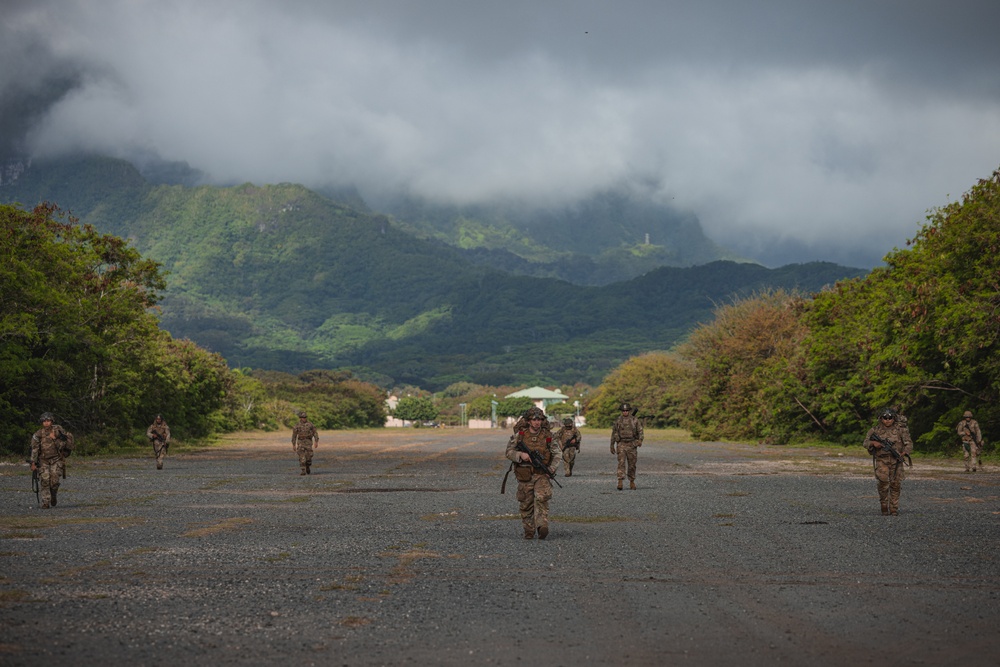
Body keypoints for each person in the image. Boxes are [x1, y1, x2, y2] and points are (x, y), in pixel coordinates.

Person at [505, 407, 561, 539]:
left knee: (542, 498)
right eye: (534, 419)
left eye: (540, 419)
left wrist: (552, 469)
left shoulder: (548, 436)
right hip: (525, 475)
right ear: (529, 421)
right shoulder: (520, 435)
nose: (537, 422)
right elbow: (508, 452)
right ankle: (529, 530)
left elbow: (557, 453)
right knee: (526, 504)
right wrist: (520, 455)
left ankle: (542, 526)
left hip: (542, 474)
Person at [863, 408, 913, 516]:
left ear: (894, 418)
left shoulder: (900, 430)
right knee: (883, 483)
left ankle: (894, 508)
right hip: (882, 460)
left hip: (896, 461)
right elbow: (865, 442)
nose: (887, 420)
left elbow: (909, 443)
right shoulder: (875, 430)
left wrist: (904, 452)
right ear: (881, 418)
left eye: (890, 418)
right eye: (885, 418)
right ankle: (884, 505)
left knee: (896, 484)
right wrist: (873, 443)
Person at [29, 412, 74, 509]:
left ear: (52, 421)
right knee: (44, 480)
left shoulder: (58, 431)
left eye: (48, 421)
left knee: (54, 482)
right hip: (43, 460)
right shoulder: (38, 434)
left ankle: (53, 495)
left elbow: (64, 444)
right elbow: (34, 449)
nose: (46, 423)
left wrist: (55, 439)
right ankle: (46, 502)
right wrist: (33, 462)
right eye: (44, 421)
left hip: (56, 460)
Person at [611, 403, 643, 490]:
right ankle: (620, 481)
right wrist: (612, 445)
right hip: (621, 444)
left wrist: (640, 440)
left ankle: (632, 481)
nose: (625, 412)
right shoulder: (618, 420)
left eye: (626, 411)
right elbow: (614, 433)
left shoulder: (634, 420)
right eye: (623, 411)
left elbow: (640, 431)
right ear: (621, 411)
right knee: (621, 463)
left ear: (629, 411)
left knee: (632, 464)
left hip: (632, 444)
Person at [291, 411, 319, 475]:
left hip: (308, 442)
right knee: (302, 457)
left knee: (309, 457)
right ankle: (303, 470)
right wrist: (293, 444)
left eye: (305, 417)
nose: (304, 418)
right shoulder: (297, 426)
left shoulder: (310, 424)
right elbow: (294, 435)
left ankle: (308, 466)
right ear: (300, 418)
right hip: (300, 442)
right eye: (303, 417)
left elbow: (315, 433)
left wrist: (316, 441)